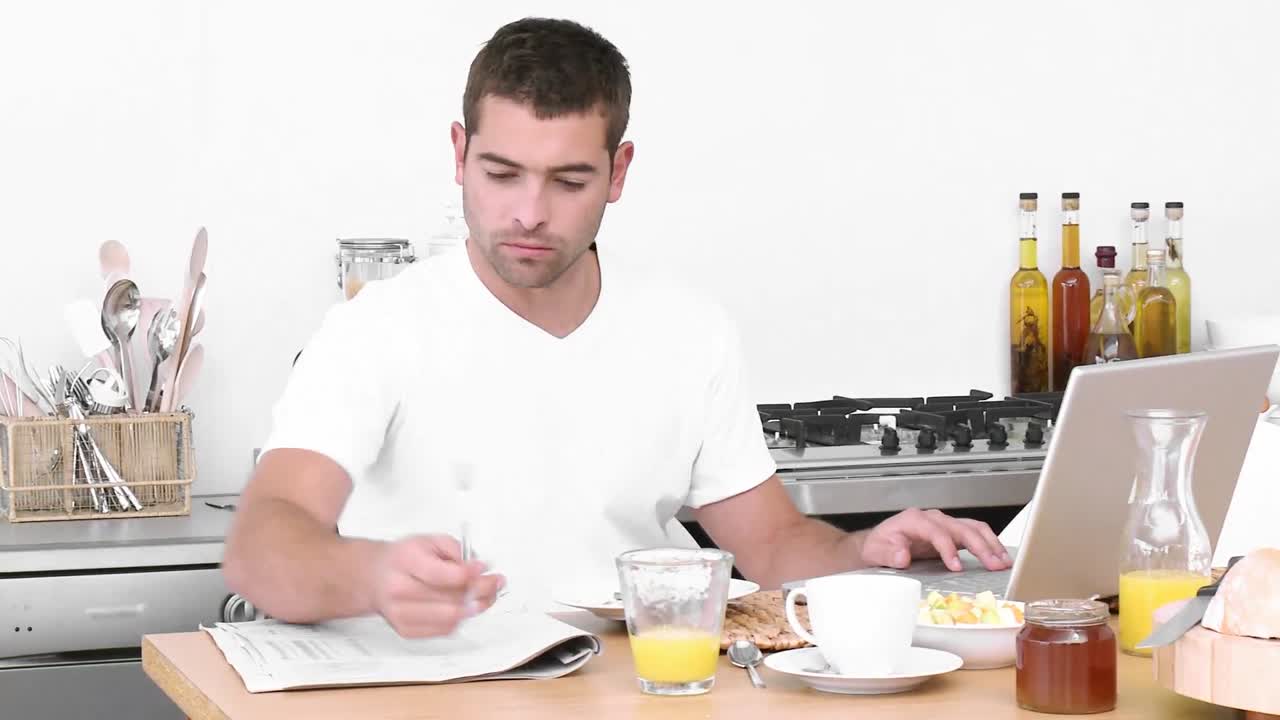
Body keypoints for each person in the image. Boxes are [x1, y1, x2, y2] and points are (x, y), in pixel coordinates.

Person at [222, 16, 1011, 640]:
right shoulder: (376, 330)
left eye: (569, 180)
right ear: (459, 155)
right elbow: (262, 544)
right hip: (427, 694)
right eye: (501, 174)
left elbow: (771, 546)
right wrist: (368, 576)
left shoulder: (689, 332)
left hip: (633, 691)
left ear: (619, 172)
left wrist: (859, 553)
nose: (529, 212)